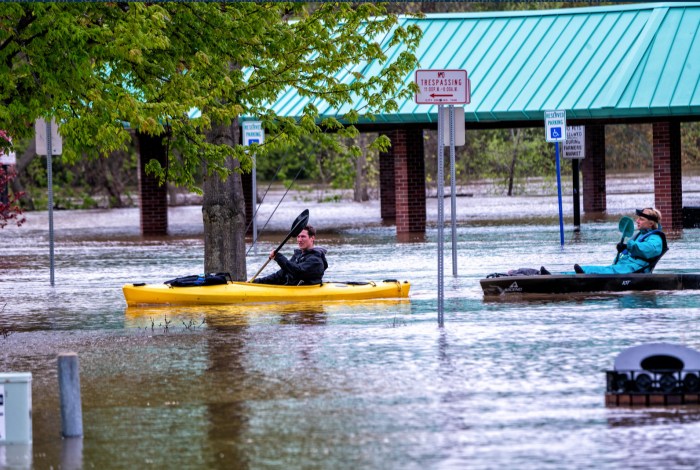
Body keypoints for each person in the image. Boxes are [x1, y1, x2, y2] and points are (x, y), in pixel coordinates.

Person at [574, 208, 668, 274]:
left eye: (641, 219)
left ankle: (584, 272)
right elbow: (630, 250)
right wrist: (623, 249)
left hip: (637, 269)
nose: (637, 221)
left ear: (651, 223)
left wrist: (629, 246)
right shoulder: (639, 235)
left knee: (607, 271)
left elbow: (648, 249)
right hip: (627, 265)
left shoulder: (656, 238)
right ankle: (572, 273)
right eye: (638, 218)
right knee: (609, 269)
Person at [252, 225, 328, 285]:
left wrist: (279, 257)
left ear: (312, 238)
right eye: (298, 236)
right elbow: (280, 275)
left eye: (303, 236)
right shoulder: (298, 256)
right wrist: (256, 282)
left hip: (305, 292)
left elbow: (297, 271)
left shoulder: (316, 260)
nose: (299, 240)